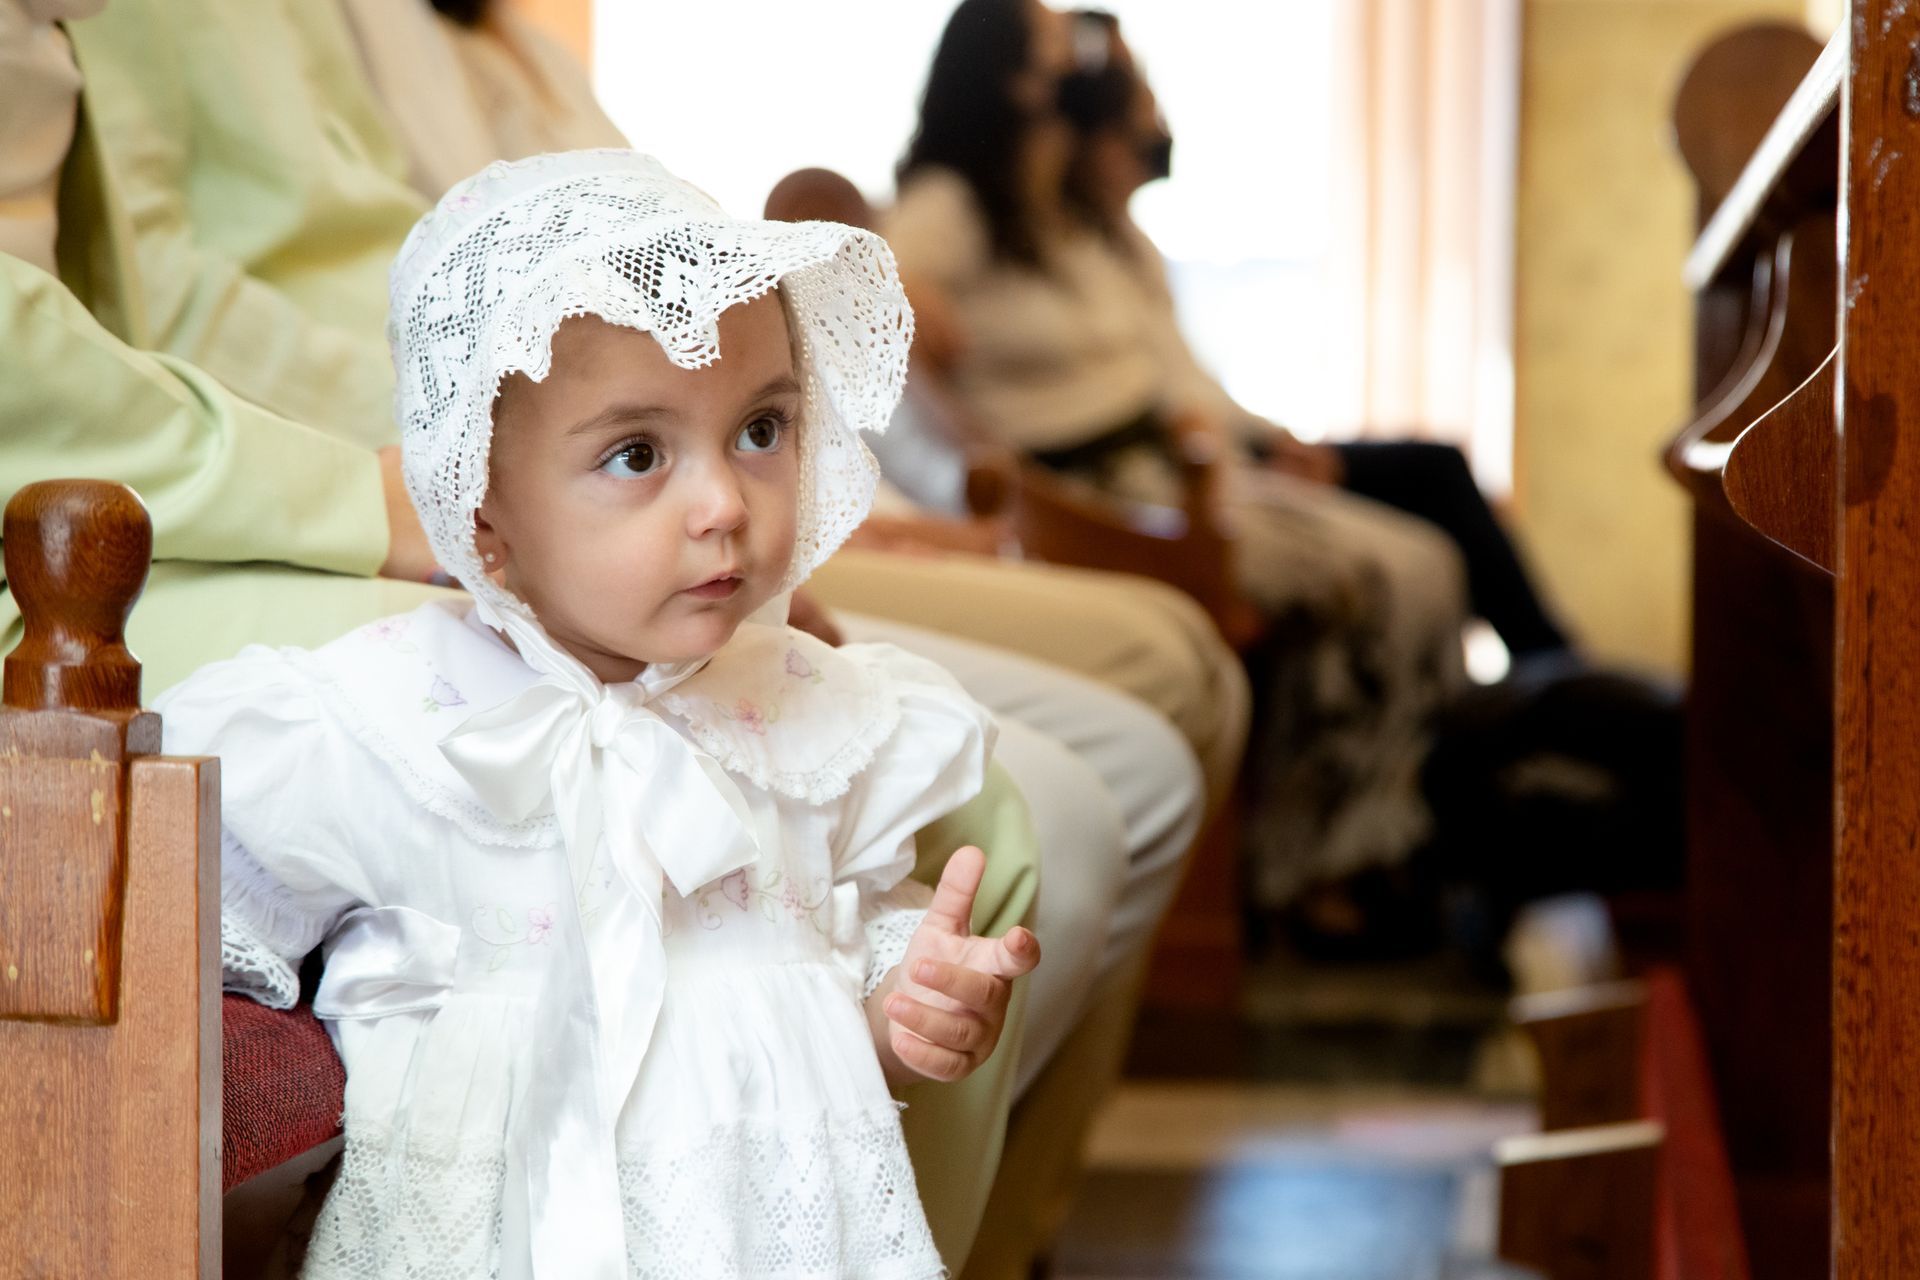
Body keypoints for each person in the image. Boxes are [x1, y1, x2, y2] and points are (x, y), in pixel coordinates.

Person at [159, 151, 1040, 1278]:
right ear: (481, 509)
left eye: (761, 430)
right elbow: (169, 897)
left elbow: (825, 998)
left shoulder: (808, 710)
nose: (722, 503)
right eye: (637, 454)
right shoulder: (392, 721)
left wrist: (910, 1005)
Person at [889, 0, 1469, 909]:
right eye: (1058, 58)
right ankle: (1322, 865)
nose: (1082, 77)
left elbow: (1165, 370)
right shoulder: (950, 207)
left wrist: (1254, 443)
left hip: (1161, 469)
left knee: (1428, 563)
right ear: (1006, 80)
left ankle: (1391, 837)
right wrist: (941, 374)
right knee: (1378, 578)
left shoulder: (1061, 217)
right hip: (1089, 496)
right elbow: (876, 310)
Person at [1056, 6, 1575, 664]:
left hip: (1229, 445)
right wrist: (1253, 445)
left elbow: (1184, 377)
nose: (1153, 122)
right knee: (1424, 524)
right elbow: (1163, 392)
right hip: (1191, 463)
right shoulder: (1054, 250)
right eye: (1138, 105)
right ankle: (1547, 673)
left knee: (1438, 479)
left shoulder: (1125, 245)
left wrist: (1276, 438)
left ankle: (1548, 671)